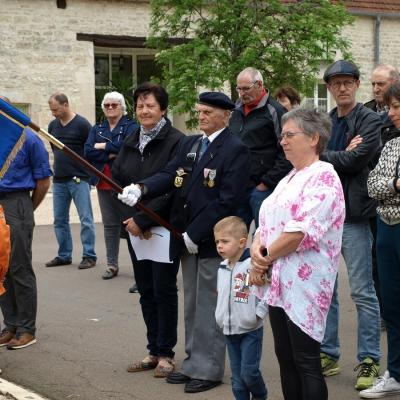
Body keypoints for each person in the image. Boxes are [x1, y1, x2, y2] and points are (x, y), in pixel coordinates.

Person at [118, 91, 250, 393]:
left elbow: (227, 200)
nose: (201, 116)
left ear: (225, 115)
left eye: (207, 112)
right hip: (185, 237)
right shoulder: (192, 144)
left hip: (210, 239)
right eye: (199, 111)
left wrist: (196, 232)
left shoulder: (235, 149)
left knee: (208, 305)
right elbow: (170, 174)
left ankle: (209, 369)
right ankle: (193, 363)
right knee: (191, 304)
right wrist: (141, 187)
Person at [250, 107, 345, 400]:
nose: (283, 141)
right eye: (282, 136)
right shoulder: (290, 177)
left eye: (289, 135)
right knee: (286, 358)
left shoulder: (324, 177)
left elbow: (299, 231)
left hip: (305, 285)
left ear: (314, 137)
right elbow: (265, 221)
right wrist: (257, 247)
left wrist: (262, 256)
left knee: (306, 362)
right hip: (279, 283)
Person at [111, 83, 184, 377]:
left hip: (162, 227)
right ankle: (153, 349)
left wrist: (145, 220)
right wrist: (131, 219)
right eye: (140, 106)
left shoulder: (177, 141)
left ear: (163, 109)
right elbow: (118, 183)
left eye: (150, 105)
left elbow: (175, 187)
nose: (144, 111)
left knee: (164, 290)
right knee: (146, 290)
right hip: (134, 229)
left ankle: (166, 353)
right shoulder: (130, 139)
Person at [319, 60, 382, 390]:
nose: (341, 88)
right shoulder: (326, 122)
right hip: (327, 218)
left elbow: (357, 160)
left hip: (356, 217)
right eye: (335, 83)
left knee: (362, 291)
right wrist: (337, 153)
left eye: (347, 82)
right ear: (328, 88)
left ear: (357, 85)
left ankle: (370, 359)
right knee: (326, 291)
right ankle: (329, 353)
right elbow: (312, 159)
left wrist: (329, 155)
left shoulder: (369, 119)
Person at [0, 96, 52, 349]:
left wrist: (27, 210)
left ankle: (26, 328)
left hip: (17, 202)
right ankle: (10, 324)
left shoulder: (30, 139)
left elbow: (43, 181)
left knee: (19, 267)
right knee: (1, 270)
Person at [361, 83, 400, 399]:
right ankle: (396, 373)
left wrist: (389, 188)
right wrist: (396, 185)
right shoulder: (391, 146)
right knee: (392, 306)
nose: (391, 113)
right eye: (390, 106)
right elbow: (373, 186)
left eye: (397, 106)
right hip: (386, 230)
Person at [229, 67, 291, 228]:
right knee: (233, 240)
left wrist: (266, 183)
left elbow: (288, 151)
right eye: (239, 89)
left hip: (263, 190)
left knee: (264, 241)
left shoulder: (276, 111)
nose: (242, 93)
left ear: (260, 85)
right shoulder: (234, 110)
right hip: (238, 187)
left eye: (246, 88)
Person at [214, 216, 268, 400]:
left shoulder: (252, 266)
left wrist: (258, 315)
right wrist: (220, 317)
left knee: (249, 373)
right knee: (237, 380)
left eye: (225, 241)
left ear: (242, 243)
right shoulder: (222, 267)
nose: (219, 246)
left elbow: (268, 291)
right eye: (217, 242)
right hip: (229, 331)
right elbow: (221, 295)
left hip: (250, 330)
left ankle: (261, 396)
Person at [84, 91, 137, 280]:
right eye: (107, 105)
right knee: (110, 226)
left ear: (122, 107)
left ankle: (140, 267)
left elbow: (129, 147)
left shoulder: (131, 126)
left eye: (114, 105)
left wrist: (103, 147)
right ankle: (112, 264)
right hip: (102, 182)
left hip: (124, 183)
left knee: (132, 225)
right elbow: (88, 151)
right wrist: (112, 152)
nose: (110, 108)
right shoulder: (97, 128)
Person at [46, 92, 97, 270]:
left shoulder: (82, 124)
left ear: (66, 105)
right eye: (52, 110)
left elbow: (91, 149)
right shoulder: (52, 125)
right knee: (59, 219)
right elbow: (55, 149)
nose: (54, 113)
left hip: (79, 178)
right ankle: (64, 255)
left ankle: (89, 255)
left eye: (56, 109)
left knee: (86, 219)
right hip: (59, 179)